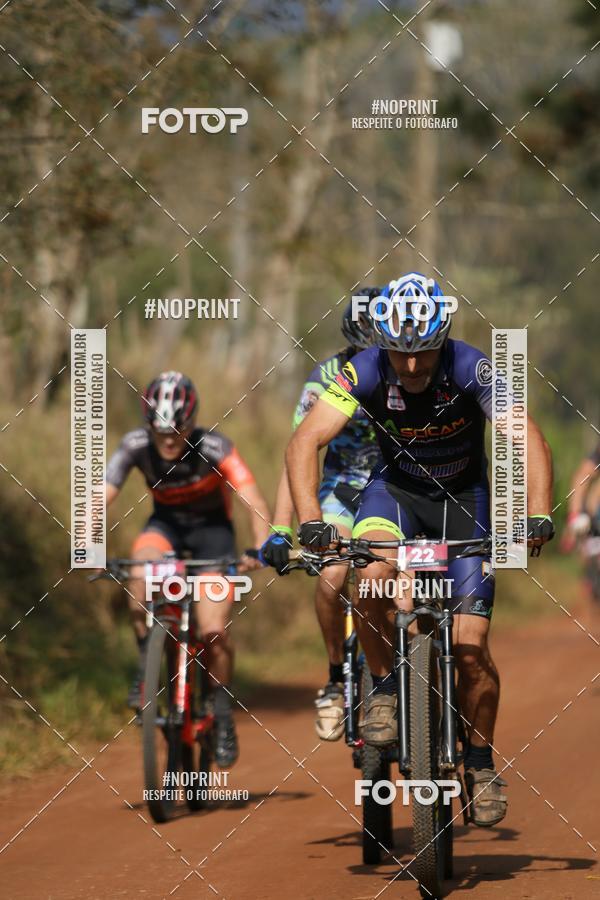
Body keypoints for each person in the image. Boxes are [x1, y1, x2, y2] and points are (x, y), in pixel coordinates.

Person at [285, 272, 554, 827]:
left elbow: (524, 433)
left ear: (443, 339)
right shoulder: (361, 370)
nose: (411, 368)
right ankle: (383, 689)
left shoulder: (471, 367)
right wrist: (310, 521)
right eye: (399, 355)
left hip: (464, 500)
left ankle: (480, 763)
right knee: (373, 575)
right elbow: (306, 439)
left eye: (423, 354)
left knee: (473, 648)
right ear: (382, 343)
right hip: (395, 495)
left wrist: (538, 512)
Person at [106, 371, 270, 767]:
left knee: (213, 630)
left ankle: (222, 709)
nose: (167, 438)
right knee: (139, 576)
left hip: (213, 537)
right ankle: (148, 664)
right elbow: (100, 496)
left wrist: (261, 547)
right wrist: (84, 544)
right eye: (159, 430)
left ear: (191, 423)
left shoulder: (215, 447)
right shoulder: (133, 446)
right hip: (166, 529)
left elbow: (253, 501)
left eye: (176, 431)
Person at [261, 294, 381, 741]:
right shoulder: (326, 377)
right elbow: (298, 453)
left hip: (398, 485)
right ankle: (335, 679)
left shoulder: (410, 372)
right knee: (332, 577)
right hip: (343, 489)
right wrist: (279, 528)